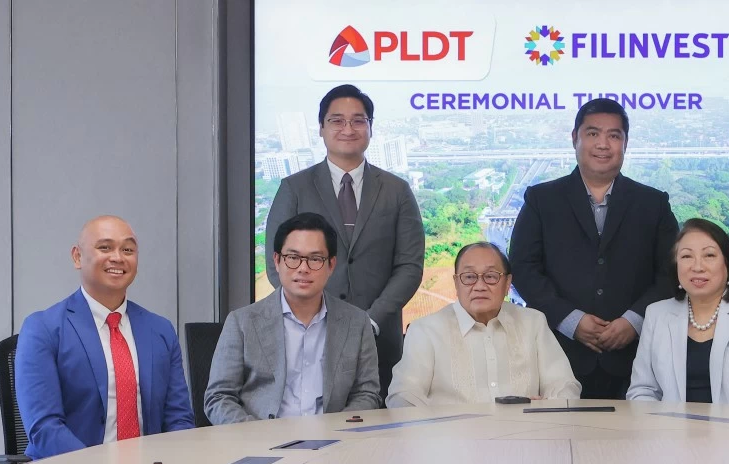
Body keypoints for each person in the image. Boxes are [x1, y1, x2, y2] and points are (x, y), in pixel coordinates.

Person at [509, 98, 679, 399]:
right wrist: (571, 320)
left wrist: (633, 321)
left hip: (638, 362)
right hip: (557, 357)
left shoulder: (653, 204)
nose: (603, 144)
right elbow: (524, 269)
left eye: (614, 135)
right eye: (592, 133)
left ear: (625, 143)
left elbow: (671, 273)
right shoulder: (541, 200)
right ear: (575, 138)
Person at [264, 84, 423, 394]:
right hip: (308, 337)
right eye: (337, 120)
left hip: (380, 339)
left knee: (379, 420)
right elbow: (277, 263)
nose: (348, 129)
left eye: (358, 120)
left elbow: (410, 265)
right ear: (321, 128)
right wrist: (316, 317)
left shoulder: (397, 190)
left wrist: (371, 320)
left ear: (370, 127)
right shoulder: (294, 188)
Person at [15, 216, 193, 459]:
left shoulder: (160, 330)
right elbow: (44, 429)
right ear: (77, 257)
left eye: (128, 250)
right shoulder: (43, 329)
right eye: (105, 247)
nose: (118, 257)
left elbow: (179, 419)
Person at [205, 213, 381, 424]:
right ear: (277, 260)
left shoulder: (357, 323)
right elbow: (219, 397)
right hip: (262, 438)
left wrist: (337, 428)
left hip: (333, 439)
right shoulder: (242, 322)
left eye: (315, 259)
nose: (303, 268)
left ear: (331, 265)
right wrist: (254, 433)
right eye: (293, 257)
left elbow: (367, 393)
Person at [387, 243, 581, 407]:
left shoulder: (533, 323)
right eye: (469, 277)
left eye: (490, 276)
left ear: (507, 283)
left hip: (524, 436)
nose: (480, 286)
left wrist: (547, 407)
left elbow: (564, 384)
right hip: (453, 439)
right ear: (456, 282)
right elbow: (403, 396)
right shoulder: (425, 331)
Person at [627, 219, 729, 406]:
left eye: (709, 255)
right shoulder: (656, 314)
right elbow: (642, 390)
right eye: (686, 256)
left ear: (728, 264)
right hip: (669, 424)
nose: (697, 267)